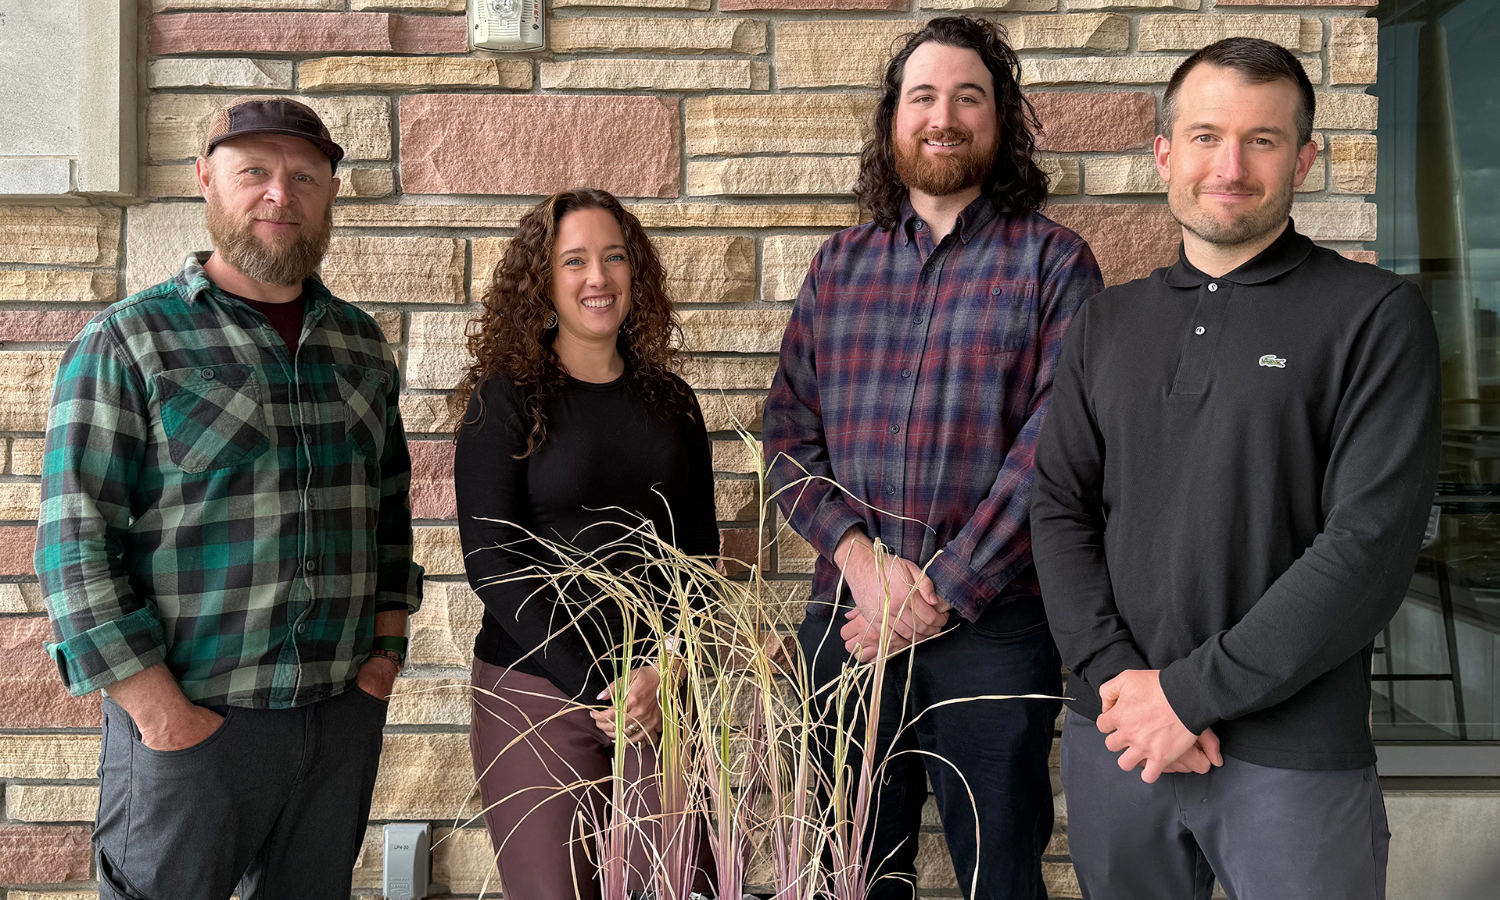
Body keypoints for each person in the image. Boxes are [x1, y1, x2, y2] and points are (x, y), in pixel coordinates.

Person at [1031, 38, 1441, 900]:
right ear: (1164, 154)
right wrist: (1120, 683)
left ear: (1305, 157)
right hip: (1120, 739)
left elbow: (1365, 546)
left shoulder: (1376, 315)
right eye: (1208, 135)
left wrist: (1186, 697)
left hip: (1293, 755)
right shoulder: (1106, 324)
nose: (1232, 164)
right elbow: (1060, 510)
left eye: (1262, 139)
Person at [34, 97, 422, 899]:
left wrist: (383, 658)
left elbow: (389, 509)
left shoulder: (358, 343)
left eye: (305, 176)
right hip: (194, 730)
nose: (281, 194)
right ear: (206, 179)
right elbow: (75, 544)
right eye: (255, 172)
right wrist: (160, 715)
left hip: (338, 716)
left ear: (330, 194)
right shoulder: (129, 341)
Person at [761, 16, 1103, 900]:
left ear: (1000, 119)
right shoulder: (839, 267)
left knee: (1001, 875)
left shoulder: (1055, 264)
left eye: (967, 97)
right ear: (894, 121)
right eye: (923, 97)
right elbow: (788, 438)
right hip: (847, 629)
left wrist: (939, 592)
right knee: (850, 873)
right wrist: (861, 562)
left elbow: (1055, 451)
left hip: (997, 637)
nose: (943, 116)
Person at [453, 188, 720, 900]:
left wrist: (663, 673)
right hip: (537, 691)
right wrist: (596, 685)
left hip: (663, 695)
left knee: (670, 887)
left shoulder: (672, 402)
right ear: (543, 279)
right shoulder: (504, 400)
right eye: (575, 261)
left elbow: (699, 560)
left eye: (613, 258)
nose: (597, 278)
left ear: (637, 274)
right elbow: (493, 566)